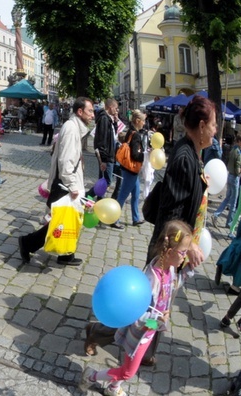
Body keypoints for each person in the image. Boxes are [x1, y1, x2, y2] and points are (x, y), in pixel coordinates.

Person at [87, 96, 212, 367]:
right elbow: (171, 212)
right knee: (145, 305)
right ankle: (99, 333)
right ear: (202, 125)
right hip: (168, 250)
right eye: (214, 125)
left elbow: (185, 198)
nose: (216, 130)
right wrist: (187, 245)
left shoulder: (192, 152)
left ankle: (145, 351)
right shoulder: (184, 158)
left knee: (160, 305)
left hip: (176, 249)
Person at [79, 220, 192, 396]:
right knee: (128, 371)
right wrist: (156, 319)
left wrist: (163, 314)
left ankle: (113, 388)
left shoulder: (169, 268)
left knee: (132, 364)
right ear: (170, 251)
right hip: (141, 330)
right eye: (183, 252)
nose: (185, 257)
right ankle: (92, 375)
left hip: (151, 329)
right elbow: (137, 314)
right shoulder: (152, 278)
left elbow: (172, 287)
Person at [18, 97, 94, 266]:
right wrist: (73, 185)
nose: (93, 115)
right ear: (80, 111)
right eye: (90, 111)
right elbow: (65, 160)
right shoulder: (71, 128)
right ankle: (28, 243)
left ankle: (65, 254)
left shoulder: (76, 127)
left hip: (68, 181)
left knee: (67, 219)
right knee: (60, 220)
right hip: (65, 183)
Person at [112, 110, 147, 229]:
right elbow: (135, 155)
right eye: (143, 121)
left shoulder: (130, 131)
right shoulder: (136, 134)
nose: (144, 123)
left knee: (136, 193)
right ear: (138, 121)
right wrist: (145, 155)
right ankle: (114, 218)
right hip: (131, 169)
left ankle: (136, 218)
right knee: (123, 195)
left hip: (128, 169)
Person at [89, 99, 118, 198]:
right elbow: (102, 140)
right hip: (106, 155)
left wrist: (115, 123)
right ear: (111, 107)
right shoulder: (104, 119)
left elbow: (113, 135)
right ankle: (87, 196)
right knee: (106, 181)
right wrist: (103, 160)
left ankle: (98, 202)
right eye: (116, 108)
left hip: (109, 154)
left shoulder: (108, 119)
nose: (116, 111)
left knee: (103, 180)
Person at [213, 134, 241, 234]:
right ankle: (229, 223)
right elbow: (238, 170)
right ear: (239, 141)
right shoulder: (238, 152)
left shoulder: (233, 149)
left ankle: (216, 214)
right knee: (233, 203)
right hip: (235, 178)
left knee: (227, 198)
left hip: (229, 176)